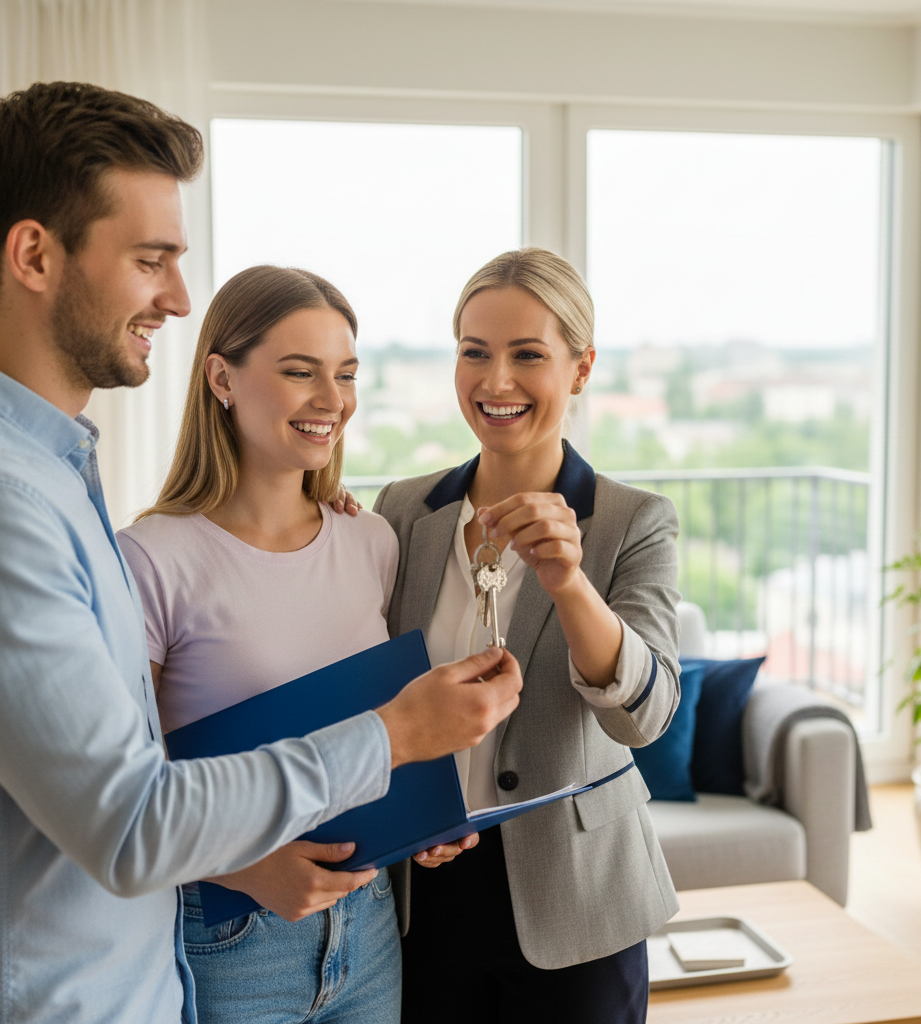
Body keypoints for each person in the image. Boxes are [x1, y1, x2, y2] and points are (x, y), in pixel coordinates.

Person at [0, 81, 521, 1024]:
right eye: (151, 258)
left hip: (330, 933)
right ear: (35, 253)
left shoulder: (67, 475)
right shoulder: (62, 521)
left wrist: (416, 796)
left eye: (347, 373)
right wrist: (396, 736)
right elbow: (135, 815)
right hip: (193, 951)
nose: (178, 293)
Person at [374, 247, 682, 1023]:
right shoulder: (403, 512)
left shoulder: (632, 522)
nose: (496, 381)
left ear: (579, 369)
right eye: (474, 353)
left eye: (528, 355)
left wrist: (568, 582)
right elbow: (378, 692)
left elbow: (643, 716)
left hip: (576, 900)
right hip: (425, 891)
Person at [117, 264, 405, 1024]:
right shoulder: (151, 558)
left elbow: (379, 731)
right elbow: (121, 784)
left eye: (344, 374)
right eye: (300, 372)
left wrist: (428, 823)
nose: (331, 400)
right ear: (222, 378)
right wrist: (245, 869)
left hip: (369, 921)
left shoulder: (372, 541)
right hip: (230, 938)